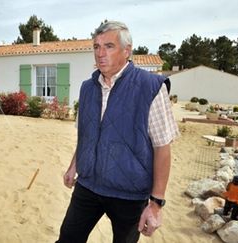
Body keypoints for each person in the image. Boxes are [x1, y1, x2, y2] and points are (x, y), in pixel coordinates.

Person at [56, 21, 179, 243]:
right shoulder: (87, 88)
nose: (100, 54)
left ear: (127, 50)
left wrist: (156, 203)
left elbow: (162, 146)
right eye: (96, 47)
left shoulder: (150, 87)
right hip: (88, 185)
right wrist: (73, 166)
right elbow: (85, 135)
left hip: (129, 194)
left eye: (109, 46)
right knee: (67, 239)